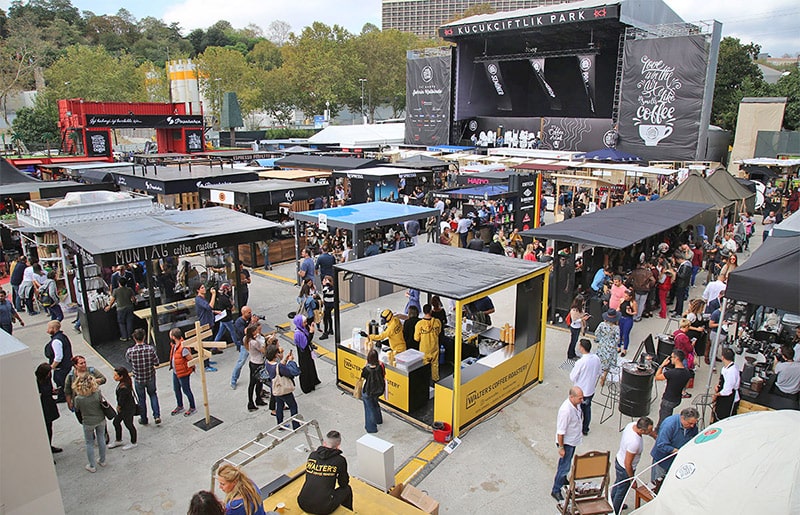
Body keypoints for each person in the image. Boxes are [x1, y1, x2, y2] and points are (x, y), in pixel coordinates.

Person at [297, 430, 353, 514]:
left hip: (302, 502)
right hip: (323, 508)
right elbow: (343, 483)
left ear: (324, 443)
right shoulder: (340, 460)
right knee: (347, 489)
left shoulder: (312, 455)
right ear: (338, 446)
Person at [611, 416, 654, 513]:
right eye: (649, 431)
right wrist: (632, 479)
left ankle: (611, 503)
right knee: (621, 492)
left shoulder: (632, 425)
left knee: (617, 484)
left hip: (619, 460)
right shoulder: (634, 442)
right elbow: (628, 463)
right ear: (642, 430)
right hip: (625, 468)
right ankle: (615, 511)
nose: (650, 432)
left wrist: (654, 435)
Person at [551, 386, 584, 502]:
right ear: (571, 397)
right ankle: (556, 490)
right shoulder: (566, 411)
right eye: (580, 398)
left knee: (565, 463)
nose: (582, 401)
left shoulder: (576, 405)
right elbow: (561, 432)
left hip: (572, 440)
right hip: (566, 443)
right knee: (564, 466)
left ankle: (563, 478)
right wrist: (561, 448)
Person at [650, 408, 699, 481]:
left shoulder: (692, 426)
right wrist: (677, 451)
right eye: (690, 423)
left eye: (694, 423)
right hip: (662, 461)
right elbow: (661, 445)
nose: (692, 426)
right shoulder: (669, 425)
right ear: (682, 418)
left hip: (677, 461)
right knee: (657, 484)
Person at [125, 328, 161, 425]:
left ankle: (144, 419)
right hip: (150, 377)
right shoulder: (150, 349)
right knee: (153, 395)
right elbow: (157, 363)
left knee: (141, 399)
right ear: (144, 337)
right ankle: (157, 415)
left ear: (134, 338)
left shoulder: (130, 351)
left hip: (138, 379)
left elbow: (128, 361)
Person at [72, 375, 108, 473]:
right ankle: (102, 460)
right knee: (101, 438)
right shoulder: (97, 393)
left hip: (87, 422)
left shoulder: (78, 399)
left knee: (89, 443)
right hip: (100, 419)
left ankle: (92, 465)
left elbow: (77, 410)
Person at [263, 343, 300, 429]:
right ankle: (296, 425)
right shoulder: (278, 366)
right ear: (275, 354)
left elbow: (279, 368)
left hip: (276, 389)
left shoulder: (267, 363)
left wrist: (285, 360)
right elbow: (290, 373)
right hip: (284, 389)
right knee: (293, 406)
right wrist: (291, 361)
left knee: (279, 406)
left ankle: (280, 425)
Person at [654, 350, 693, 431]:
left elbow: (657, 377)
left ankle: (660, 432)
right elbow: (687, 385)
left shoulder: (672, 373)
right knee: (666, 415)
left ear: (677, 359)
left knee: (664, 419)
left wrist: (662, 365)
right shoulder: (687, 372)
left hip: (668, 399)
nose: (671, 359)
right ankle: (659, 429)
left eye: (672, 357)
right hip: (677, 399)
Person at [569, 339, 602, 435]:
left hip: (580, 390)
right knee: (587, 410)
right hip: (590, 390)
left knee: (577, 411)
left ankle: (577, 429)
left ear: (582, 348)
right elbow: (599, 372)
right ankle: (585, 429)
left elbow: (572, 377)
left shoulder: (581, 362)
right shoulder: (596, 358)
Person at [108, 367, 138, 451]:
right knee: (116, 422)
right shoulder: (123, 383)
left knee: (129, 424)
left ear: (121, 376)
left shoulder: (123, 387)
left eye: (116, 375)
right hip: (124, 409)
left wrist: (119, 406)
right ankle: (118, 440)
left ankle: (133, 442)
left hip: (127, 409)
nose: (114, 377)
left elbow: (122, 400)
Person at [35, 363, 62, 454]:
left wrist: (53, 391)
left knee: (49, 427)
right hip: (43, 407)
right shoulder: (36, 382)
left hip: (49, 404)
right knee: (45, 429)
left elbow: (49, 390)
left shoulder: (47, 379)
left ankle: (49, 446)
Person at [169, 328, 196, 417]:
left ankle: (192, 407)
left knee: (186, 390)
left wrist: (192, 368)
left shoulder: (183, 347)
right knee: (176, 389)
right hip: (176, 372)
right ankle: (180, 406)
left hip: (183, 373)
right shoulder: (175, 345)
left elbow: (190, 359)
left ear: (173, 336)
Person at [43, 319, 72, 403]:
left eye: (49, 328)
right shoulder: (63, 337)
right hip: (66, 365)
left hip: (61, 367)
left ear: (54, 328)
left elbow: (58, 357)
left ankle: (63, 397)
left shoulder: (56, 341)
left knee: (61, 382)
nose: (47, 330)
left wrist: (52, 367)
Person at [194, 284, 219, 372]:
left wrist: (215, 312)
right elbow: (209, 306)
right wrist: (213, 295)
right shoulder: (199, 299)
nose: (204, 289)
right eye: (202, 288)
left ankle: (207, 360)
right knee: (205, 344)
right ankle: (205, 365)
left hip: (209, 322)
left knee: (209, 343)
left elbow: (207, 309)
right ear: (198, 290)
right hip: (205, 324)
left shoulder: (203, 298)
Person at [294, 314, 321, 394]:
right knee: (305, 369)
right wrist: (311, 333)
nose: (306, 324)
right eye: (304, 322)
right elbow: (305, 344)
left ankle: (313, 381)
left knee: (310, 366)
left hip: (307, 352)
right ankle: (307, 386)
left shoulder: (302, 329)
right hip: (304, 353)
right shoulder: (298, 334)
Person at [416, 303, 443, 383]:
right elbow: (439, 332)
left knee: (425, 366)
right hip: (434, 347)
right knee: (435, 364)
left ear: (423, 311)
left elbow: (416, 338)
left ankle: (425, 381)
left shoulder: (419, 324)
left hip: (424, 349)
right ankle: (436, 379)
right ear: (431, 311)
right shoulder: (437, 322)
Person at [360, 349, 385, 433]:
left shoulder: (366, 369)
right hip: (378, 390)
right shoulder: (380, 367)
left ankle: (371, 427)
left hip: (368, 390)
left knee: (368, 408)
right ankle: (379, 420)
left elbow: (363, 376)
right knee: (375, 404)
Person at [712, 347, 740, 422]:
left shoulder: (732, 371)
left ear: (723, 357)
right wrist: (717, 386)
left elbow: (727, 391)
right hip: (722, 396)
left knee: (723, 418)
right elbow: (721, 380)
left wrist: (716, 395)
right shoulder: (726, 368)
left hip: (728, 399)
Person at [230, 307, 255, 390]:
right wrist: (252, 323)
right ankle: (233, 380)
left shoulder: (249, 319)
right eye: (248, 312)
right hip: (244, 345)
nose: (250, 314)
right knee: (240, 362)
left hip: (252, 343)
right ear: (243, 313)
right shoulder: (239, 322)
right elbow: (245, 332)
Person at [244, 323, 267, 412]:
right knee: (256, 383)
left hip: (253, 362)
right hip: (258, 363)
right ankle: (253, 401)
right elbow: (263, 351)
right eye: (257, 330)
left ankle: (257, 399)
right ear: (253, 332)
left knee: (255, 383)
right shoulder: (254, 342)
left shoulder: (247, 340)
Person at [105, 276, 136, 341]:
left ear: (119, 283)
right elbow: (133, 299)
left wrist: (109, 306)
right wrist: (135, 302)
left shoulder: (116, 291)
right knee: (129, 321)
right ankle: (130, 336)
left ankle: (124, 337)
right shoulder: (129, 289)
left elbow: (112, 300)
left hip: (120, 308)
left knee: (121, 322)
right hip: (129, 307)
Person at [595, 308, 620, 386]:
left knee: (600, 360)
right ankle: (603, 377)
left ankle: (597, 375)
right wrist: (614, 344)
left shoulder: (602, 324)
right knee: (608, 364)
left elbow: (596, 333)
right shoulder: (616, 328)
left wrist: (600, 339)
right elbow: (617, 339)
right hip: (611, 347)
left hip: (602, 344)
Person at [618, 290, 636, 356]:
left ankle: (624, 349)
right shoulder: (622, 300)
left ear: (630, 297)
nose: (625, 297)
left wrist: (630, 313)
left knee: (625, 335)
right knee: (620, 333)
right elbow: (619, 308)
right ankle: (618, 346)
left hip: (628, 319)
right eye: (624, 295)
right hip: (621, 318)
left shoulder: (632, 303)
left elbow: (635, 312)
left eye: (626, 296)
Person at [320, 275, 335, 340]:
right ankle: (331, 329)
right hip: (330, 304)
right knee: (329, 317)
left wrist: (326, 284)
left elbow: (324, 291)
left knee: (325, 318)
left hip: (328, 305)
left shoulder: (328, 287)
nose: (323, 281)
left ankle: (325, 333)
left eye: (324, 280)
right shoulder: (331, 287)